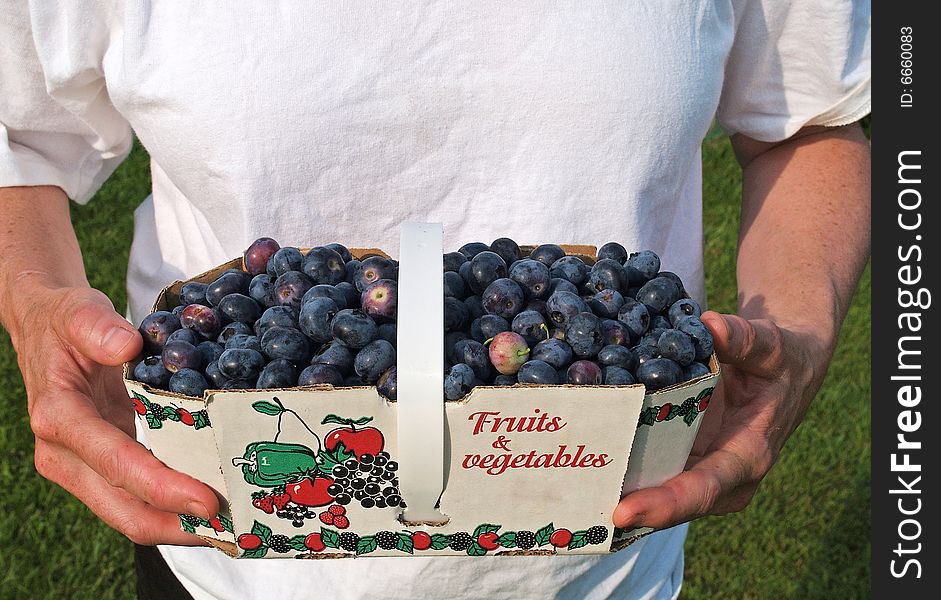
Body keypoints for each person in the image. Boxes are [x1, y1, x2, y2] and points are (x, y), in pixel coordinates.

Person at [1, 2, 870, 599]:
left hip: (597, 553)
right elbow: (19, 139)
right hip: (234, 546)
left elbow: (813, 118)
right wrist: (39, 304)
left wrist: (792, 332)